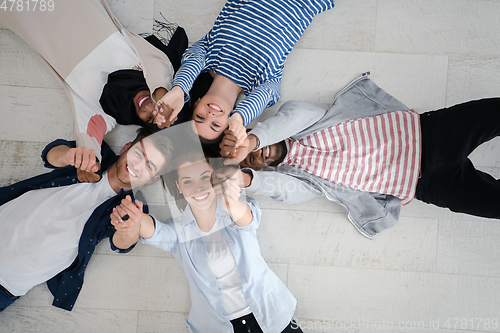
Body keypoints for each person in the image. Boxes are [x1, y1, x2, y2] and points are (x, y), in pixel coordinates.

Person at [220, 74, 500, 239]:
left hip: (429, 135)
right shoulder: (301, 179)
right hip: (426, 184)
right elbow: (283, 190)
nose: (254, 155)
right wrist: (245, 179)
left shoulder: (304, 121)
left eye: (247, 150)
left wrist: (254, 139)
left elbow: (294, 117)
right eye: (251, 162)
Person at [111, 152, 302, 332]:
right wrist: (135, 218)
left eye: (205, 177)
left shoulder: (235, 209)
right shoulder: (179, 231)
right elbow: (153, 230)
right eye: (188, 181)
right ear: (179, 187)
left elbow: (247, 220)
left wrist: (231, 201)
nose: (198, 188)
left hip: (271, 317)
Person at [0, 128, 174, 312]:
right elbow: (50, 155)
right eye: (138, 153)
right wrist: (70, 156)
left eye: (149, 166)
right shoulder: (95, 151)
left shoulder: (132, 207)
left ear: (152, 179)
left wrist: (127, 230)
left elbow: (122, 244)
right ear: (126, 147)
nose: (137, 165)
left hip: (6, 287)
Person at [0, 0, 179, 168]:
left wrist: (90, 163)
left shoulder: (107, 112)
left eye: (149, 119)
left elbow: (89, 141)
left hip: (28, 16)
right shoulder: (148, 68)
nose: (149, 108)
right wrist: (164, 100)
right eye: (157, 110)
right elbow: (160, 74)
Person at [155, 0, 335, 145]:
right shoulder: (263, 81)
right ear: (228, 124)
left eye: (200, 117)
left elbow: (191, 62)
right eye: (215, 125)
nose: (210, 116)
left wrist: (178, 90)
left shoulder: (206, 55)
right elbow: (266, 95)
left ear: (197, 103)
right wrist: (239, 118)